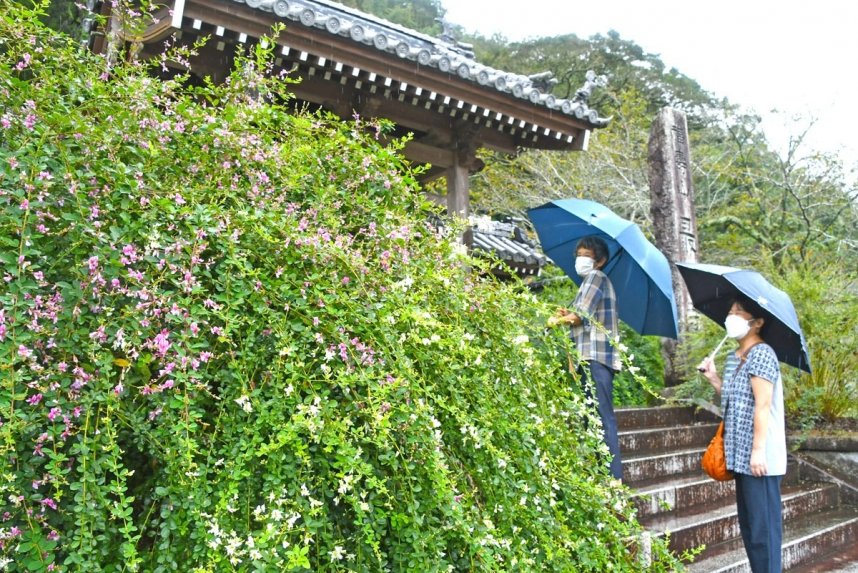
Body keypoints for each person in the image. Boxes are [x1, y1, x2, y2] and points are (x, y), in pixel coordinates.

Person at [698, 294, 786, 573]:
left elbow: (762, 404)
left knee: (764, 532)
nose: (731, 316)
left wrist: (758, 452)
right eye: (731, 311)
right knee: (750, 529)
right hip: (740, 456)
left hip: (760, 459)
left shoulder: (762, 354)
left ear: (757, 322)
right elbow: (736, 401)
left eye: (739, 312)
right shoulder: (732, 357)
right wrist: (713, 378)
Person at [550, 236, 622, 481]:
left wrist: (557, 320)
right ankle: (602, 477)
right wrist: (566, 314)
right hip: (595, 358)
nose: (580, 260)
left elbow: (581, 316)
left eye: (586, 256)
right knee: (594, 417)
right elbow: (581, 314)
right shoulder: (594, 282)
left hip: (595, 357)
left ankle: (612, 482)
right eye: (578, 254)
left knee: (600, 417)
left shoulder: (595, 277)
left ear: (600, 261)